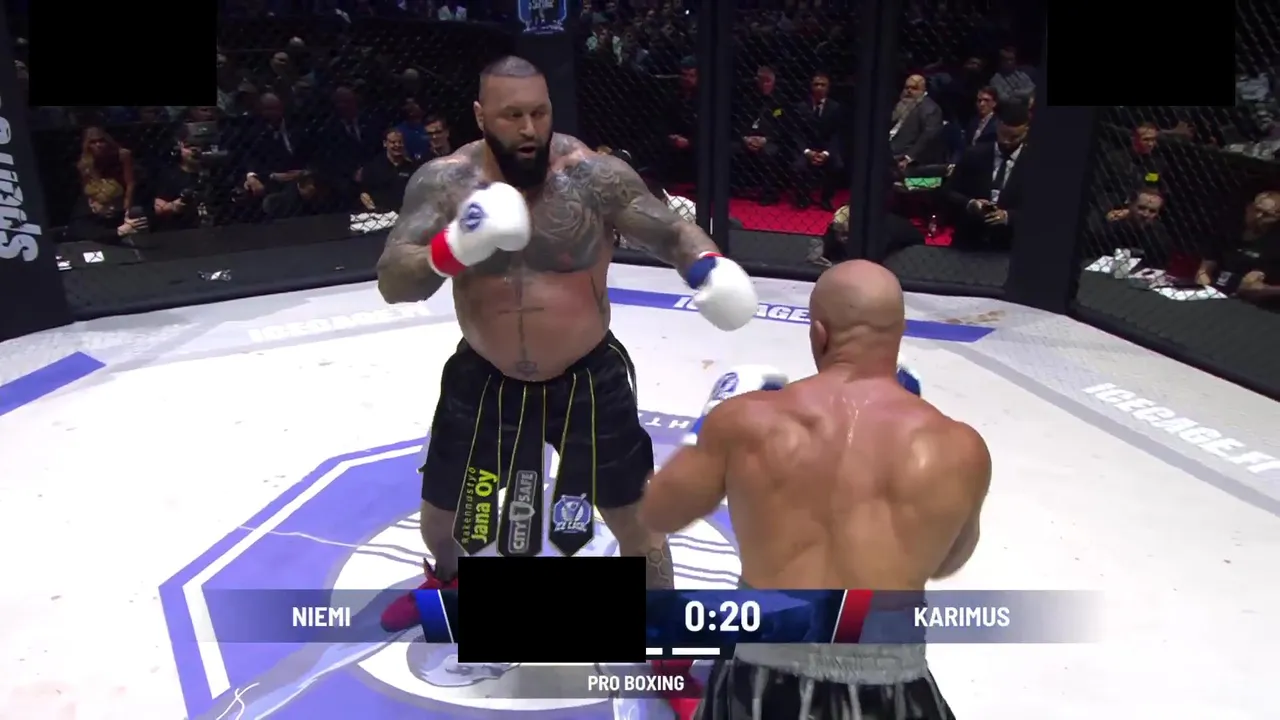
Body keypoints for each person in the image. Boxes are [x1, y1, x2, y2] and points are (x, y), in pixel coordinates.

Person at [373, 55, 759, 709]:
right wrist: (453, 247)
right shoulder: (445, 183)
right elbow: (392, 278)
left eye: (540, 112)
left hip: (587, 376)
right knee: (443, 517)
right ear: (480, 116)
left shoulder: (591, 177)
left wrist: (708, 268)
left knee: (639, 521)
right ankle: (449, 585)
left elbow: (671, 229)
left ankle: (664, 649)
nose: (529, 129)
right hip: (484, 375)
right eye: (512, 115)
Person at [639, 261, 991, 720]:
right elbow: (946, 562)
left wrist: (705, 425)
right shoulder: (958, 447)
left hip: (759, 675)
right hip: (891, 680)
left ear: (819, 333)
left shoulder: (747, 422)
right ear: (899, 333)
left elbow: (658, 513)